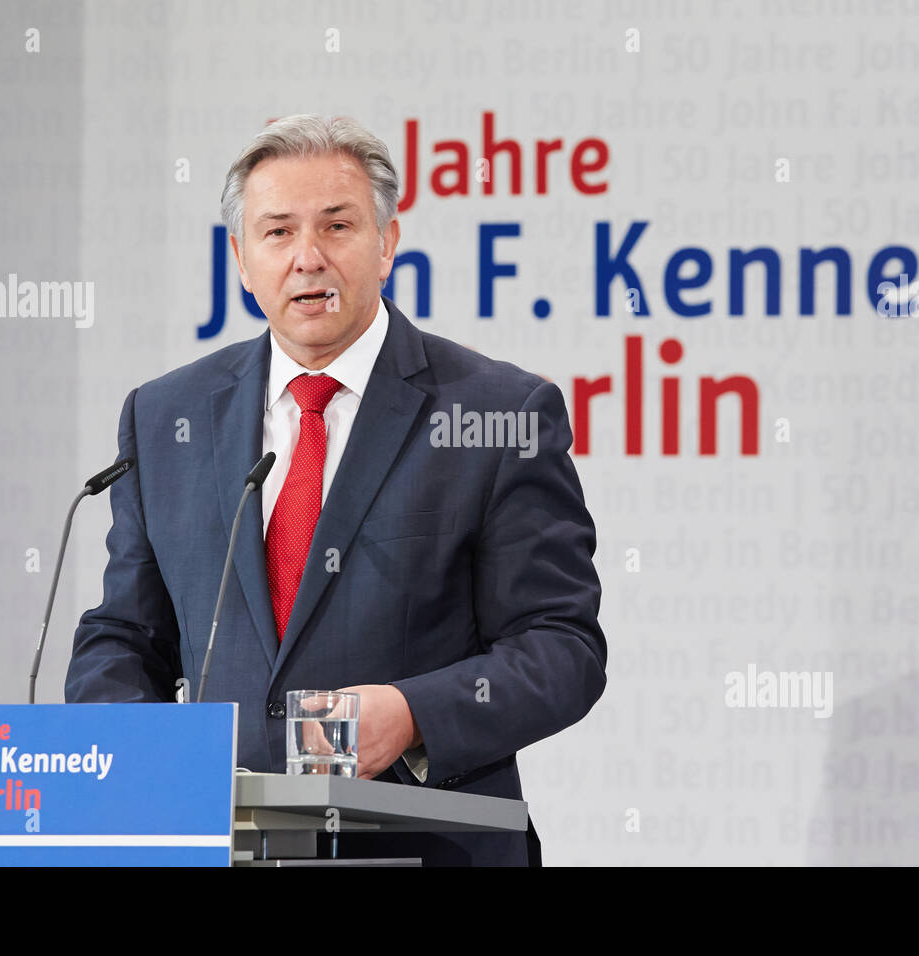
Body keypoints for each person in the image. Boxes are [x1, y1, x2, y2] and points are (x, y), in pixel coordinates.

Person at [65, 114, 607, 866]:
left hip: (426, 849)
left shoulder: (496, 413)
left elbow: (561, 647)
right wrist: (139, 752)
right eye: (278, 233)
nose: (307, 259)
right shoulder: (167, 418)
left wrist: (413, 713)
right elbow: (123, 637)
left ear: (387, 242)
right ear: (241, 258)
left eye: (337, 226)